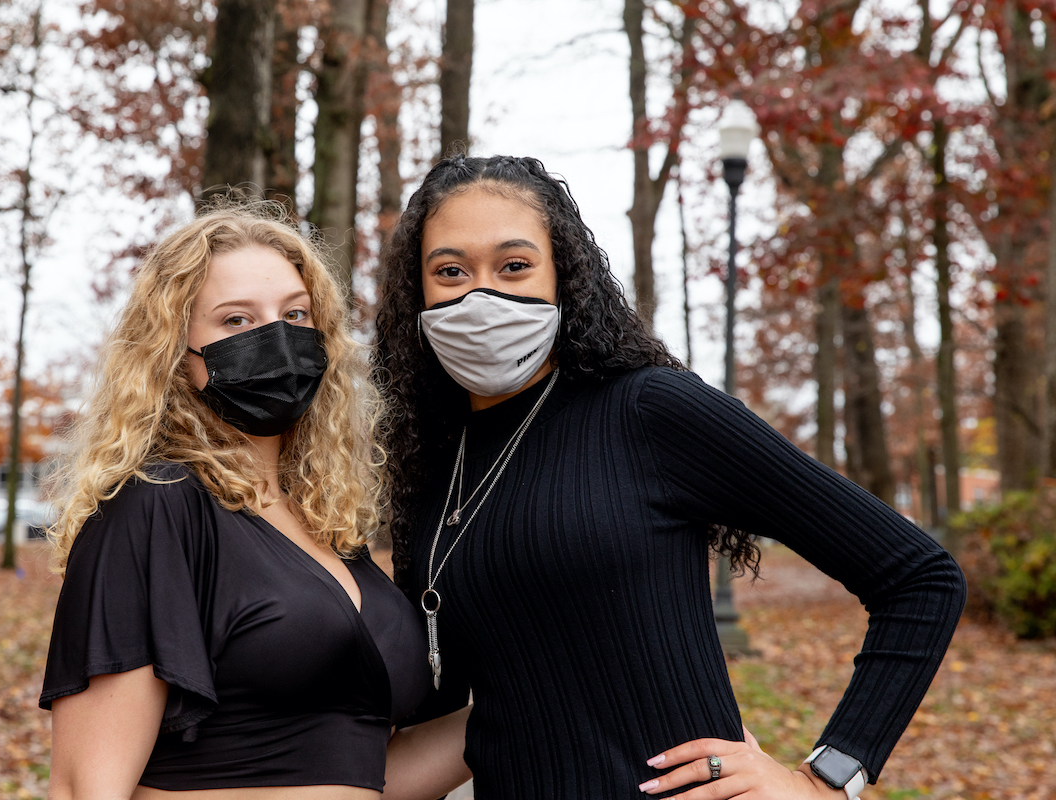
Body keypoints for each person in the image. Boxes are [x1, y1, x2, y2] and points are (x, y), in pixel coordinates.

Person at [372, 155, 967, 800]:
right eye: (450, 271)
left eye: (515, 265)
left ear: (563, 276)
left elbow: (920, 577)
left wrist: (827, 778)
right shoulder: (429, 467)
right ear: (418, 293)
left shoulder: (649, 411)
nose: (480, 294)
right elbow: (458, 708)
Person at [40, 206, 471, 800]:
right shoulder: (154, 506)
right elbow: (85, 788)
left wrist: (538, 698)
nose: (278, 338)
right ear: (175, 351)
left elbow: (360, 772)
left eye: (295, 314)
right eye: (236, 319)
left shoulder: (329, 525)